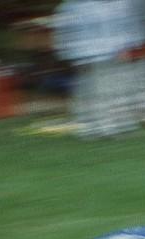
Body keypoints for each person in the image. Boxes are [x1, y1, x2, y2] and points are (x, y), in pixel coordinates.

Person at [53, 0, 137, 138]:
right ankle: (99, 126)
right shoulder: (75, 6)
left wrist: (125, 47)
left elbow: (122, 28)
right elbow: (65, 32)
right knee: (96, 91)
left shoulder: (74, 6)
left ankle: (97, 125)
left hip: (103, 53)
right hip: (94, 54)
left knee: (100, 91)